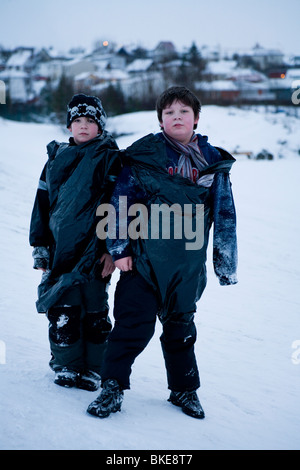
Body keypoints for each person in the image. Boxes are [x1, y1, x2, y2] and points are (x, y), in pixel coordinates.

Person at [87, 86, 238, 418]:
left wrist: (224, 264)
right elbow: (121, 203)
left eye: (184, 111)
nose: (177, 117)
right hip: (143, 260)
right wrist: (119, 248)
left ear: (196, 118)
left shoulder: (213, 161)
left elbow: (225, 213)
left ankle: (184, 391)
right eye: (169, 112)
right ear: (160, 121)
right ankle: (112, 388)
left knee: (181, 330)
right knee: (131, 326)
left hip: (187, 264)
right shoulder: (145, 156)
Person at [29, 94, 122, 391]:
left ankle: (94, 368)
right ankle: (66, 364)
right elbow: (42, 205)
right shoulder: (55, 160)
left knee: (94, 312)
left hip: (96, 252)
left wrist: (112, 250)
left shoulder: (111, 158)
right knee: (64, 310)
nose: (83, 126)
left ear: (100, 126)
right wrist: (40, 247)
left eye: (90, 121)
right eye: (77, 121)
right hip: (61, 251)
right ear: (69, 126)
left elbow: (120, 206)